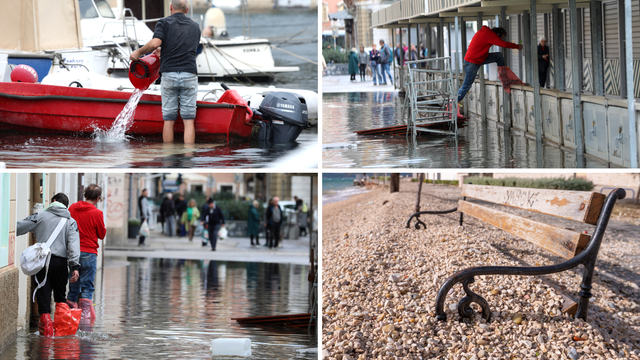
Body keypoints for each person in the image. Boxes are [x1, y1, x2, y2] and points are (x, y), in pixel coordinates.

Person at [129, 0, 200, 144]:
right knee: (188, 121)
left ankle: (168, 159)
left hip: (169, 74)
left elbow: (155, 43)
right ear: (186, 10)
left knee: (168, 120)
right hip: (189, 74)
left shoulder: (164, 23)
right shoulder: (195, 26)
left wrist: (138, 52)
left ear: (170, 7)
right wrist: (164, 51)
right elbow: (186, 48)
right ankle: (188, 159)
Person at [17, 193, 80, 337]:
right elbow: (74, 246)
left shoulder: (40, 216)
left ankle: (46, 335)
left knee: (43, 295)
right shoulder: (71, 221)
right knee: (60, 297)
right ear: (66, 206)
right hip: (60, 263)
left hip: (42, 262)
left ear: (53, 201)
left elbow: (18, 227)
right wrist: (75, 267)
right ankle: (62, 333)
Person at [67, 184, 107, 322]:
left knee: (73, 286)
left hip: (73, 253)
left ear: (84, 195)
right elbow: (101, 235)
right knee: (87, 286)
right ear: (98, 198)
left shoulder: (72, 208)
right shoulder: (97, 213)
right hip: (89, 253)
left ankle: (69, 317)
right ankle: (84, 319)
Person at [456, 26, 523, 106]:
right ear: (497, 34)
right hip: (472, 62)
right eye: (500, 37)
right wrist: (517, 46)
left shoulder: (484, 32)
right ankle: (453, 103)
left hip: (478, 58)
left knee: (498, 56)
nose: (500, 40)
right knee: (466, 85)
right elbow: (504, 44)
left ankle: (503, 76)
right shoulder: (490, 35)